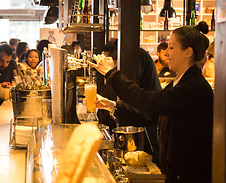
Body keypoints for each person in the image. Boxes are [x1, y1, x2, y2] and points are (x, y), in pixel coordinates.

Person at [90, 22, 213, 183]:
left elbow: (149, 101)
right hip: (176, 172)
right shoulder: (180, 82)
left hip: (191, 175)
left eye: (171, 47)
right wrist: (111, 106)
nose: (166, 53)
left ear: (188, 52)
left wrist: (112, 74)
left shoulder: (193, 87)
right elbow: (151, 115)